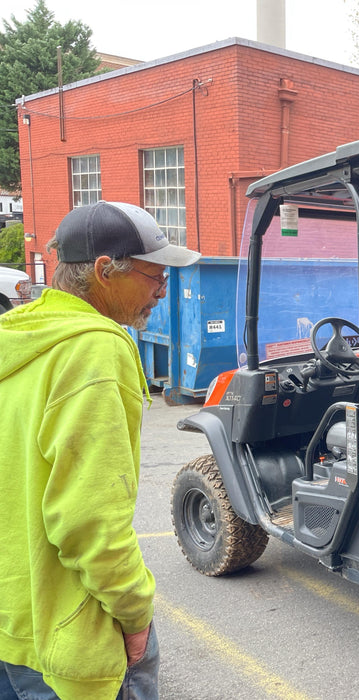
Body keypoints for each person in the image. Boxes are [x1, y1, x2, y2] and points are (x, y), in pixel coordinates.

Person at [0, 201, 201, 699]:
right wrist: (135, 615)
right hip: (69, 639)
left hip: (13, 622)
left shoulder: (21, 337)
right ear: (105, 270)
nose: (163, 289)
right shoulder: (95, 349)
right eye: (156, 275)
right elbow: (90, 521)